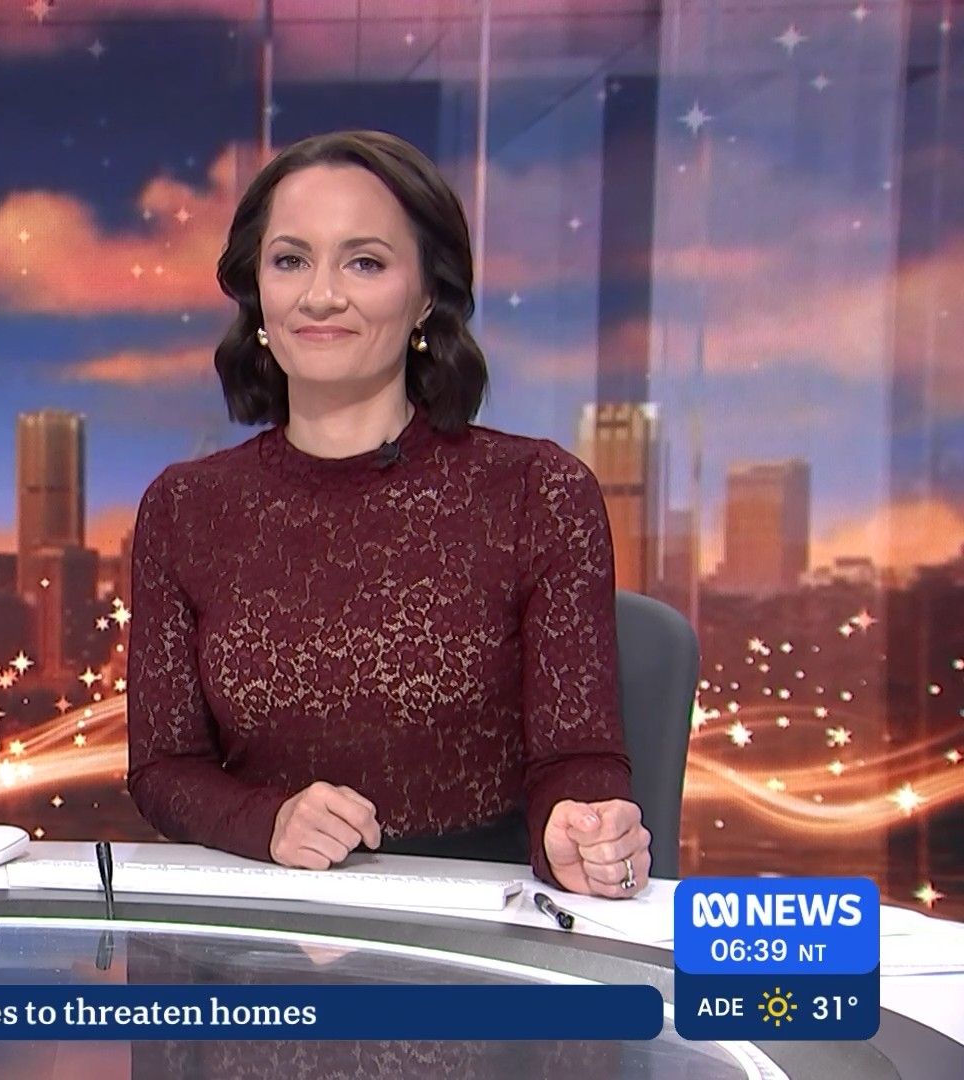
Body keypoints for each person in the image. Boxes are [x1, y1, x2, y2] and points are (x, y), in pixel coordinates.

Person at [125, 129, 648, 898]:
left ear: (427, 294)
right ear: (257, 291)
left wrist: (581, 825)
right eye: (290, 260)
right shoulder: (185, 508)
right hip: (263, 923)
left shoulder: (538, 491)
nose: (320, 295)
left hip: (473, 925)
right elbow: (162, 768)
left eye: (364, 262)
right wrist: (267, 821)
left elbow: (576, 759)